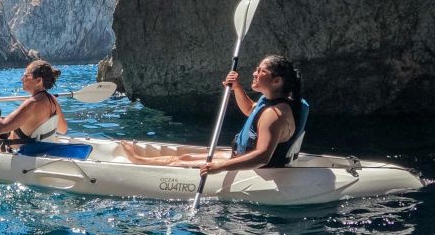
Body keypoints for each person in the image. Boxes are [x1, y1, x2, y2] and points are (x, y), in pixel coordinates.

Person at [120, 55, 306, 176]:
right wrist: (237, 87)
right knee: (188, 155)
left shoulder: (274, 115)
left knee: (182, 161)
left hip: (254, 170)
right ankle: (142, 160)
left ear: (276, 81)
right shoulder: (272, 101)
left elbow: (262, 157)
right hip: (240, 156)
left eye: (260, 71)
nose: (254, 73)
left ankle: (139, 162)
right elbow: (250, 109)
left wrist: (219, 168)